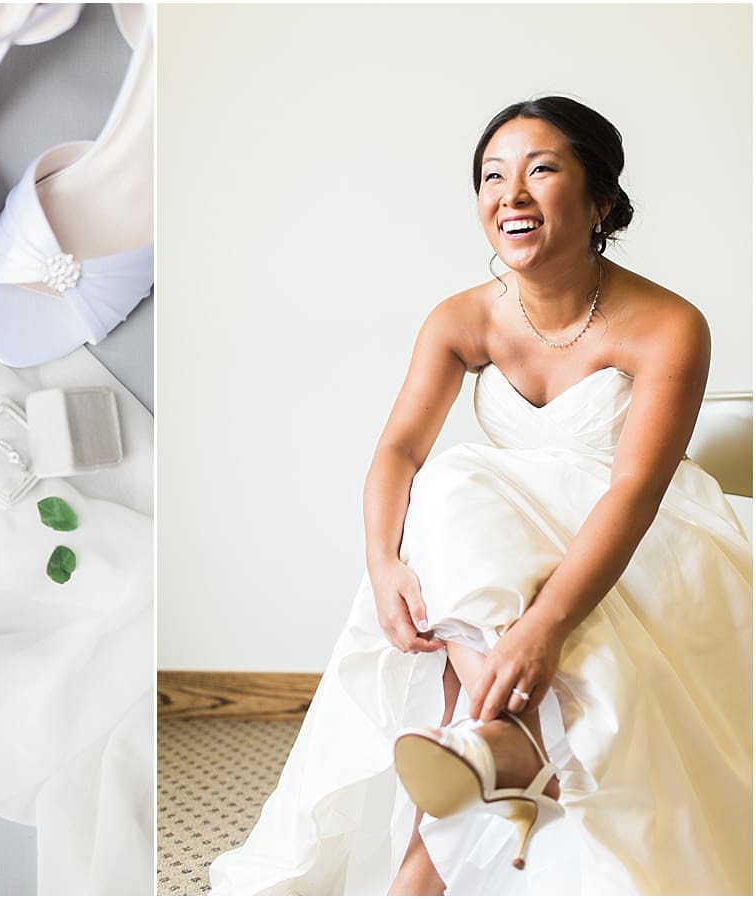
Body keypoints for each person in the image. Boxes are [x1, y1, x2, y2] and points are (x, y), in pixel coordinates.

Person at [208, 96, 753, 895]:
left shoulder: (670, 324)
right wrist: (383, 561)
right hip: (506, 547)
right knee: (453, 507)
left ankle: (428, 860)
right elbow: (397, 448)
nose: (511, 194)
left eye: (541, 170)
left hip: (646, 537)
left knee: (461, 484)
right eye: (492, 176)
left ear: (600, 200)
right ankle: (504, 744)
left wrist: (546, 625)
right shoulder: (460, 317)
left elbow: (635, 489)